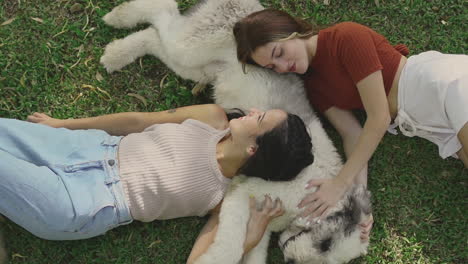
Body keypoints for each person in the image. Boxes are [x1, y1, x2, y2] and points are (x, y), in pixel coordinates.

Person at [233, 8, 468, 241]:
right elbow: (352, 134)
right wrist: (359, 199)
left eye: (279, 52)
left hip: (445, 85)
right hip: (437, 127)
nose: (283, 67)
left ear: (291, 31)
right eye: (272, 67)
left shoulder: (346, 37)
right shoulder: (315, 86)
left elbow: (379, 117)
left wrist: (339, 183)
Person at [0, 104, 313, 262]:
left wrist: (250, 237)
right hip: (82, 146)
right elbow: (139, 121)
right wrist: (62, 126)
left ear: (253, 149)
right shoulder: (212, 117)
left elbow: (201, 261)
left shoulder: (222, 198)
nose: (253, 110)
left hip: (79, 204)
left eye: (259, 118)